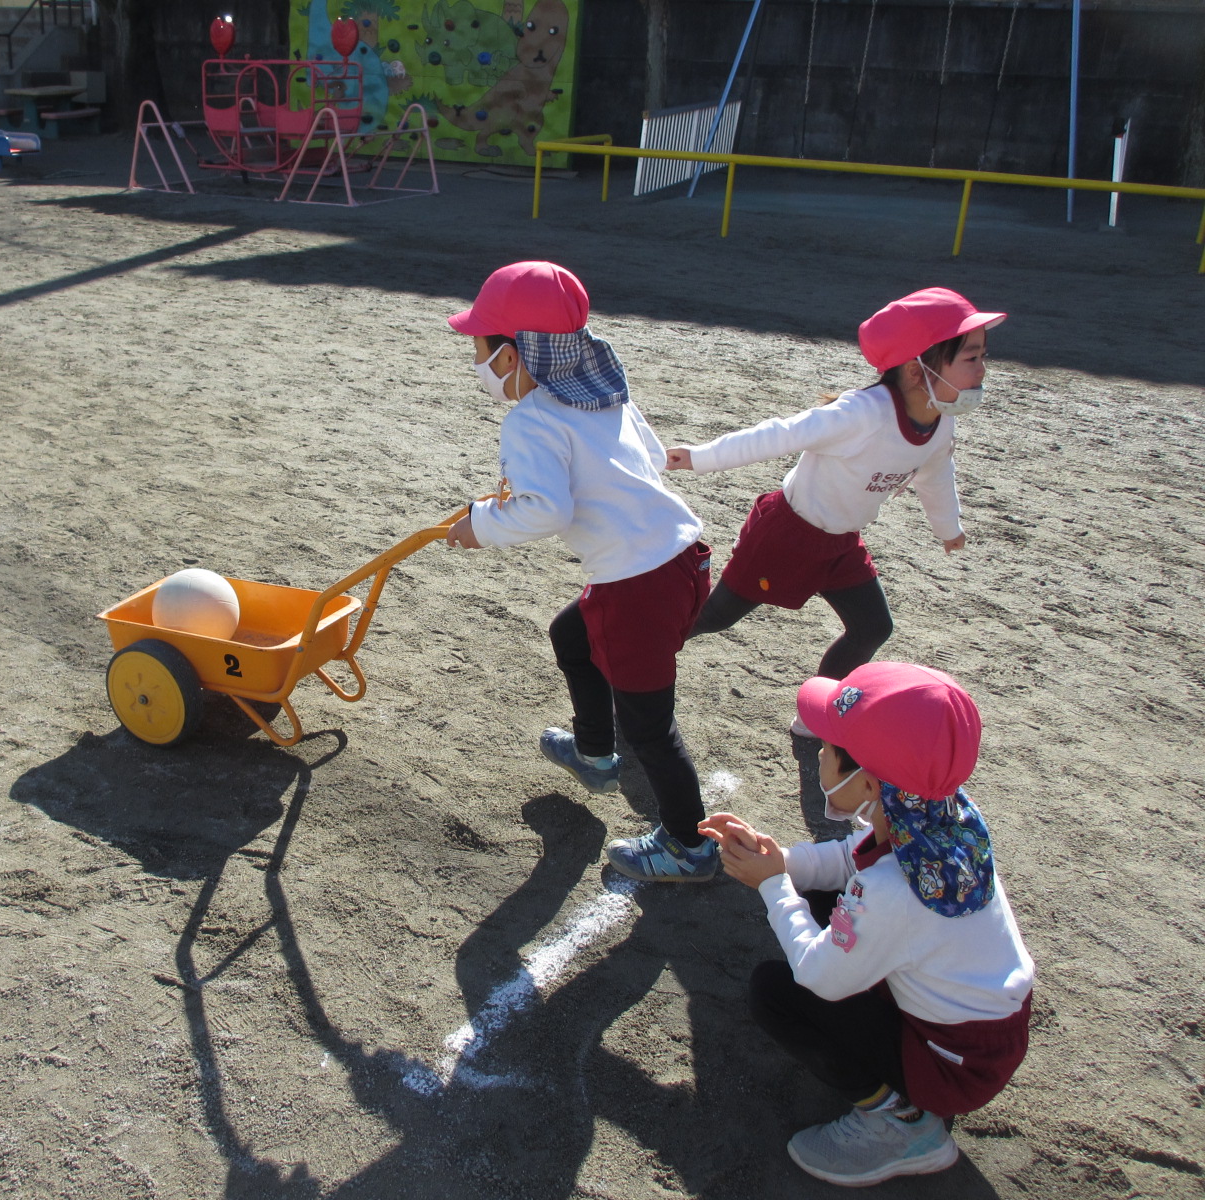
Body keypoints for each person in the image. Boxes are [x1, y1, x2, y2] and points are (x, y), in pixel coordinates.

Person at [699, 661, 1035, 1187]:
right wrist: (780, 859)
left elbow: (817, 976)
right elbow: (851, 859)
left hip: (953, 1064)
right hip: (984, 1028)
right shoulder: (938, 815)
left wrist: (770, 884)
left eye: (828, 751)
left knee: (777, 991)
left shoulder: (891, 893)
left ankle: (903, 1125)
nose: (820, 757)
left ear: (870, 784)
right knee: (820, 903)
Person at [442, 261, 717, 882]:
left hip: (636, 584)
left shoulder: (532, 420)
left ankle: (688, 845)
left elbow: (548, 510)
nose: (477, 360)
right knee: (572, 635)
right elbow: (645, 458)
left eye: (482, 348)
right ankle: (594, 752)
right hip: (680, 559)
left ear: (512, 356)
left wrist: (482, 524)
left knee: (650, 727)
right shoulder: (600, 392)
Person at [669, 288, 1006, 736]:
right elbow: (781, 434)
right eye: (971, 357)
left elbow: (935, 471)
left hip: (841, 543)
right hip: (787, 535)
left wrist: (949, 527)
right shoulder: (861, 414)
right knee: (715, 617)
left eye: (983, 355)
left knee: (871, 627)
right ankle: (633, 658)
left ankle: (816, 716)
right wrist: (698, 456)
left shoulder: (941, 420)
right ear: (916, 368)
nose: (983, 369)